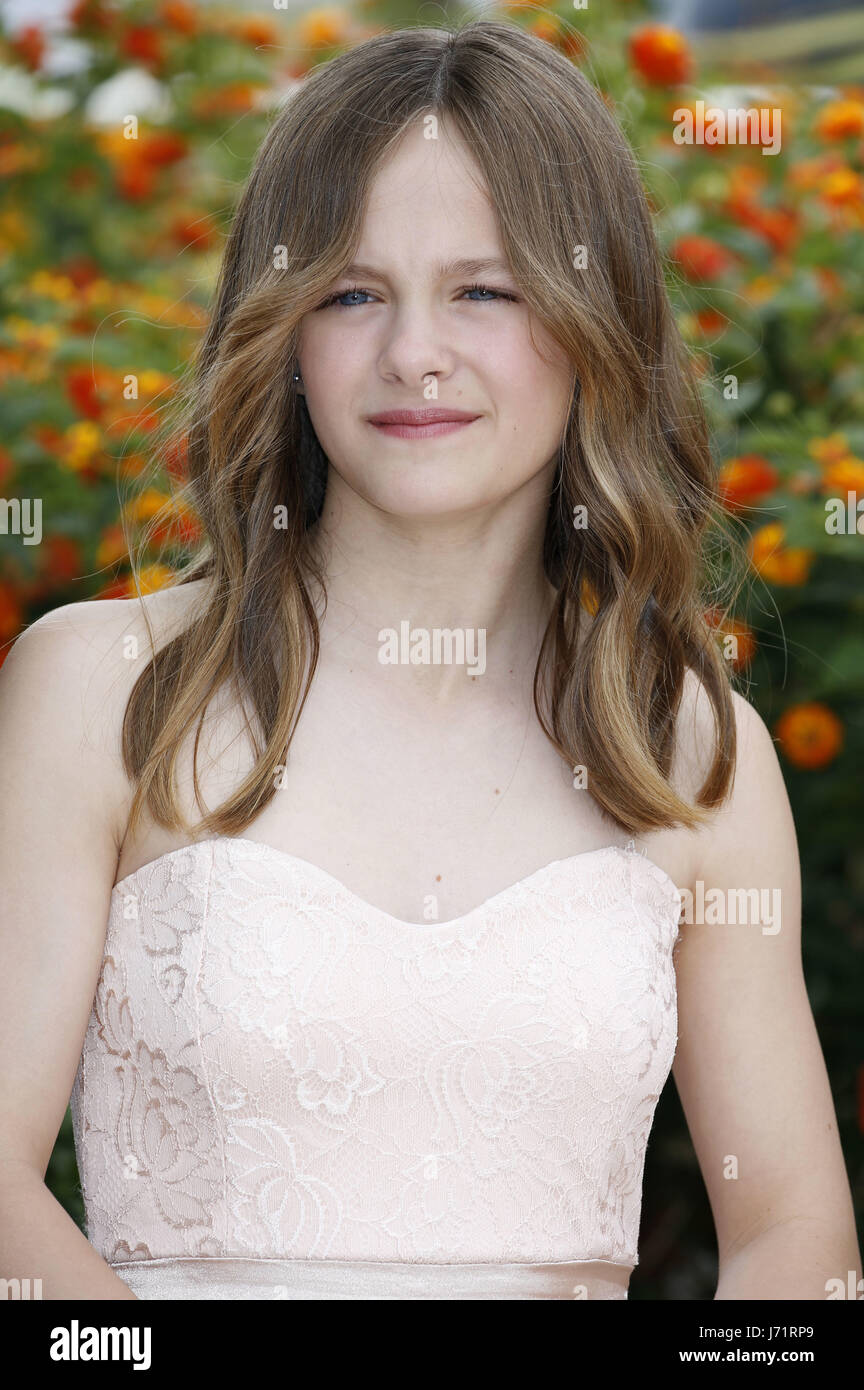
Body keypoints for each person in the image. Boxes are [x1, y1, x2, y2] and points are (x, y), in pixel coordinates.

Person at [0, 20, 858, 1301]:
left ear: (593, 319)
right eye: (352, 291)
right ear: (280, 328)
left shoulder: (691, 746)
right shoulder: (100, 689)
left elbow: (794, 1234)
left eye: (486, 289)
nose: (414, 353)